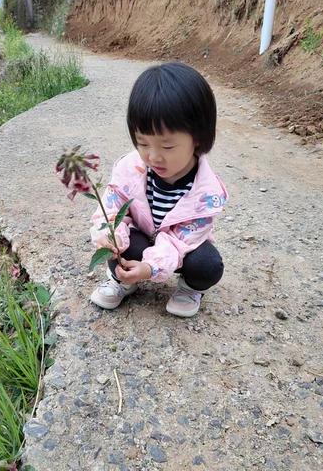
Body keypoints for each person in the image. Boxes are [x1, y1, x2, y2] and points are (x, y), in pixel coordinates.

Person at [89, 62, 228, 317]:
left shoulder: (206, 195)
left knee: (207, 264)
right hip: (142, 238)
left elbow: (177, 242)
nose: (153, 156)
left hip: (182, 250)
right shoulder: (131, 169)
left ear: (197, 138)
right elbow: (111, 207)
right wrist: (113, 236)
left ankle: (188, 289)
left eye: (167, 147)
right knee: (117, 241)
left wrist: (150, 268)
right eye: (143, 143)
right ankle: (121, 279)